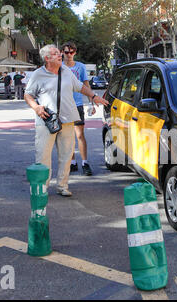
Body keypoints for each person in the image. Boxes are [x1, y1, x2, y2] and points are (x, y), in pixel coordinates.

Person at [24, 44, 109, 197]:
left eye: (59, 52)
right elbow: (28, 95)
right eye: (56, 53)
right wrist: (36, 107)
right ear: (47, 58)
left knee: (67, 155)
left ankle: (62, 186)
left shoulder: (66, 71)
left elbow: (80, 87)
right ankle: (41, 187)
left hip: (68, 119)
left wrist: (94, 96)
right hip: (47, 121)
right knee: (43, 155)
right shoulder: (38, 74)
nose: (60, 55)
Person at [61, 41, 94, 176]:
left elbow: (85, 84)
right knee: (67, 136)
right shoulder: (59, 66)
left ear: (75, 52)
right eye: (66, 52)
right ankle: (72, 162)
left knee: (80, 135)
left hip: (78, 104)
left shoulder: (80, 67)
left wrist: (91, 102)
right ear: (62, 53)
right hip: (64, 105)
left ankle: (85, 162)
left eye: (72, 52)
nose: (69, 55)